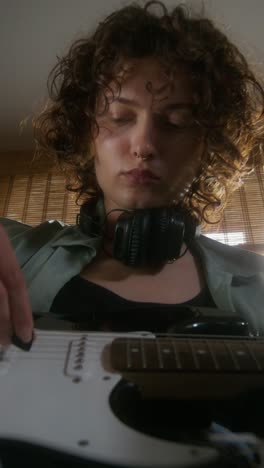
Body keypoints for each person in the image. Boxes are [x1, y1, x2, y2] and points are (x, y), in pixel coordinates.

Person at [0, 0, 264, 348]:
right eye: (119, 118)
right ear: (86, 134)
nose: (143, 145)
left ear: (207, 147)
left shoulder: (258, 283)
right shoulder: (14, 251)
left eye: (175, 122)